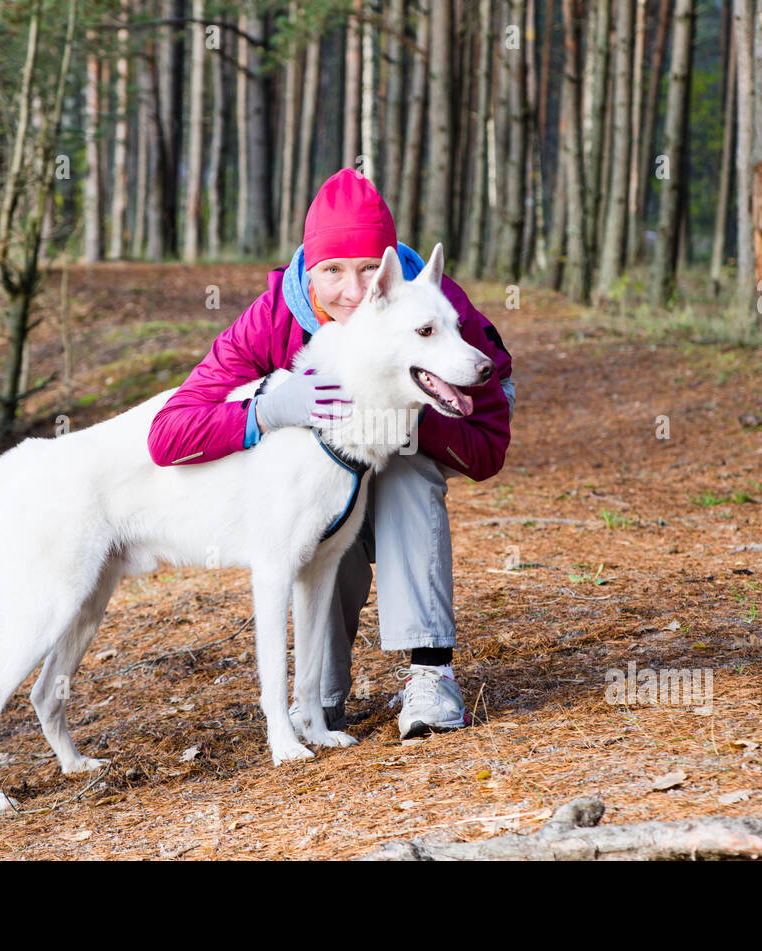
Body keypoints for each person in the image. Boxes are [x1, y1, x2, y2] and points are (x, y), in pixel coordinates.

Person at [147, 168, 514, 738]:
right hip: (319, 484)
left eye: (371, 268)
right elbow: (168, 434)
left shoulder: (434, 309)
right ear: (307, 269)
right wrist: (266, 412)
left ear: (392, 269)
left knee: (406, 470)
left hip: (407, 463)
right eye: (332, 271)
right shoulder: (271, 319)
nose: (355, 291)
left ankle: (430, 674)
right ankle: (318, 697)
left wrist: (402, 413)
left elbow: (487, 449)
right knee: (324, 495)